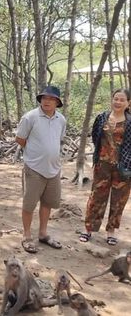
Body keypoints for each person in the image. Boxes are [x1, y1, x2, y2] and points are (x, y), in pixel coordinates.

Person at [15, 86, 66, 253]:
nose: (47, 101)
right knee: (29, 204)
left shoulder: (61, 120)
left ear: (57, 102)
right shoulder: (30, 117)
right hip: (34, 168)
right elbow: (20, 139)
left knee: (48, 203)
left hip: (54, 168)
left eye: (51, 99)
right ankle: (27, 236)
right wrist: (34, 154)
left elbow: (59, 140)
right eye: (44, 98)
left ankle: (43, 234)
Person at [79, 88, 131, 246]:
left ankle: (111, 232)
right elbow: (96, 137)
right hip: (102, 165)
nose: (118, 102)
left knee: (119, 200)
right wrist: (102, 155)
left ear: (128, 103)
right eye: (116, 98)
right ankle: (88, 229)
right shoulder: (102, 117)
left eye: (122, 100)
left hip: (124, 168)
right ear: (112, 99)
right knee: (96, 197)